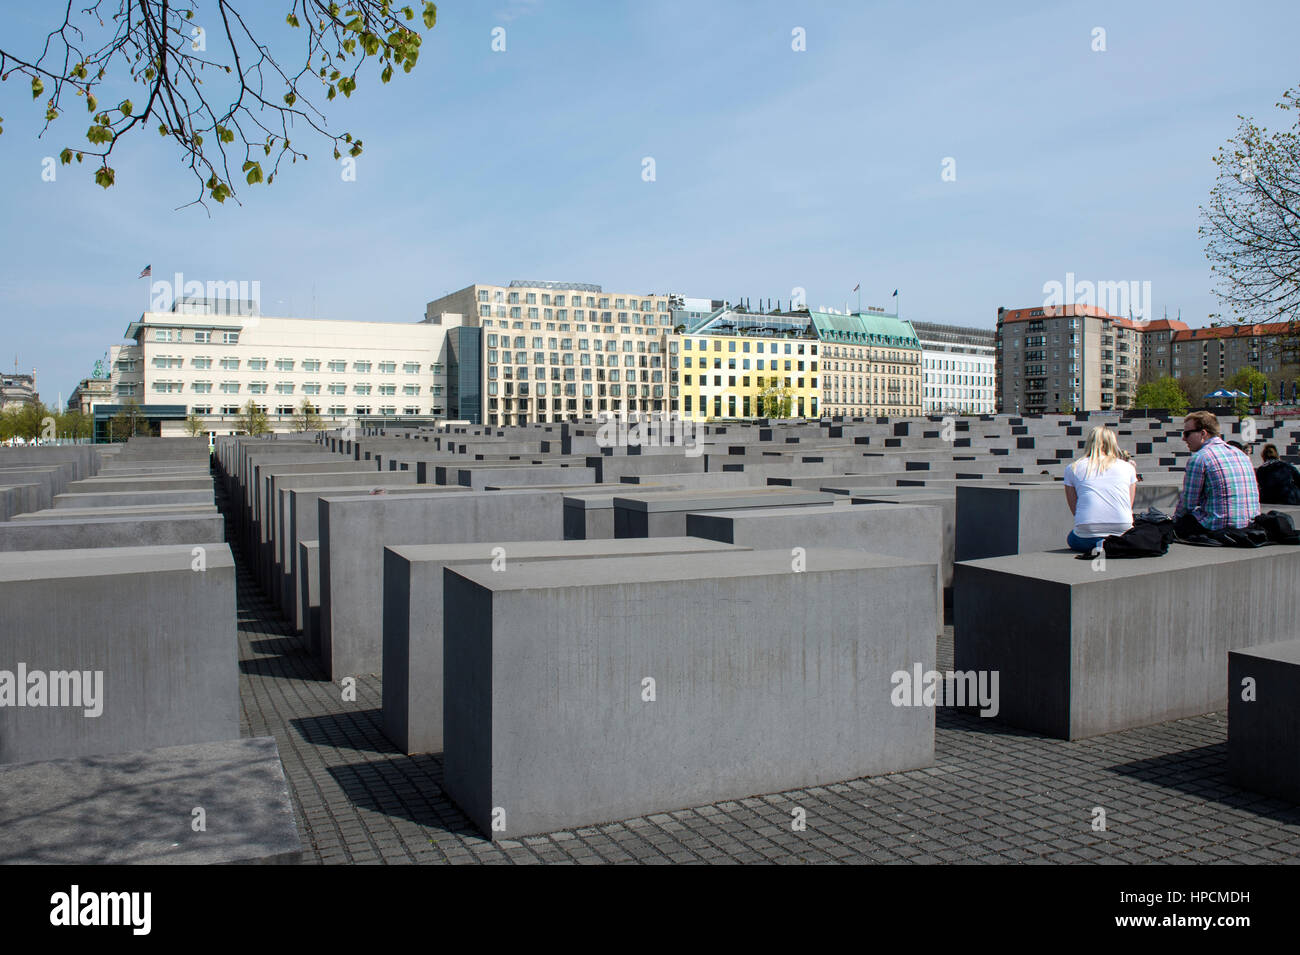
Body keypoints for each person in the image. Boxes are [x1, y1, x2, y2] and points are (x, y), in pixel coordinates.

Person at [1173, 411, 1261, 537]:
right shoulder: (1241, 454)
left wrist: (1174, 521)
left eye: (1187, 434)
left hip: (1218, 526)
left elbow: (1188, 504)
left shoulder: (1200, 458)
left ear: (1203, 433)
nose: (1184, 438)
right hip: (1249, 525)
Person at [1063, 426, 1137, 552]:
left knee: (1072, 538)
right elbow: (1128, 505)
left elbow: (1075, 509)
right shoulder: (1128, 467)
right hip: (1122, 532)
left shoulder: (1073, 468)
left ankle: (1100, 544)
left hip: (1087, 533)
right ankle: (1108, 545)